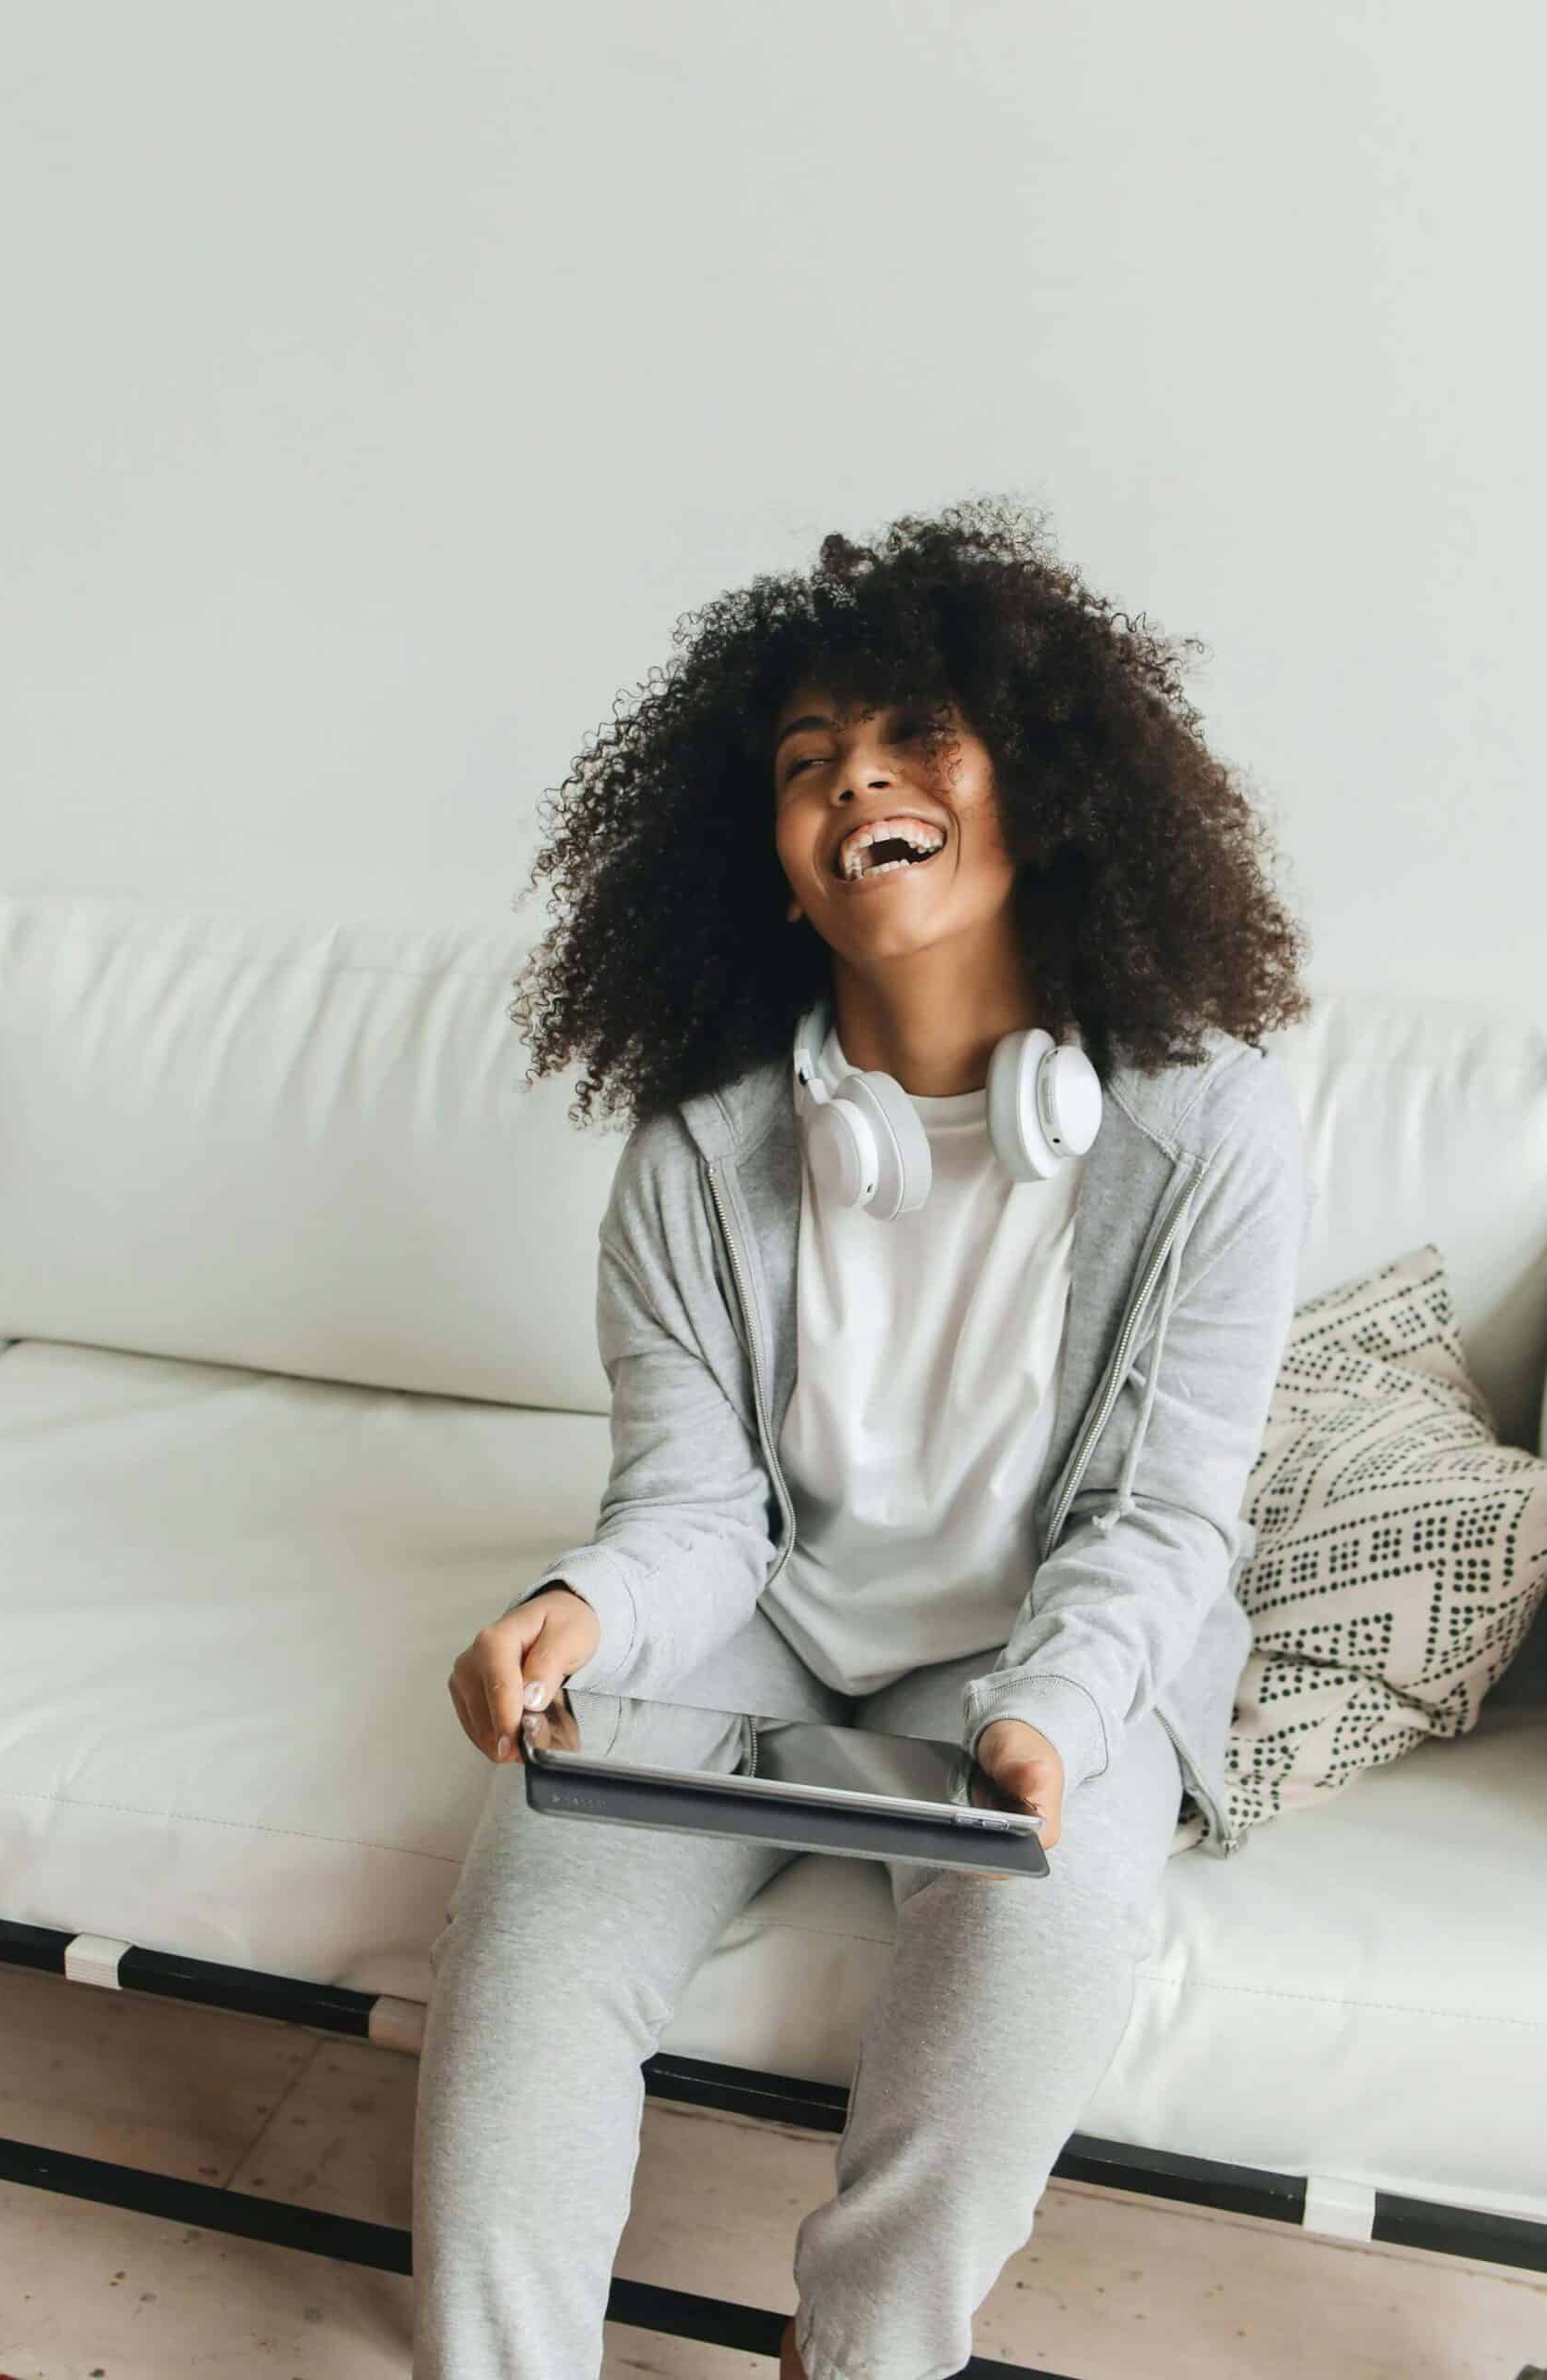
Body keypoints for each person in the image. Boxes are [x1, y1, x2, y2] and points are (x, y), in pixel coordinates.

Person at [411, 494, 1316, 2380]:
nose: (855, 786)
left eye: (916, 741)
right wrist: (580, 1607)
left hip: (1040, 1653)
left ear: (1038, 789)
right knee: (525, 1939)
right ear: (769, 853)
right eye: (807, 762)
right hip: (764, 1622)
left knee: (1041, 1951)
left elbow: (1159, 1521)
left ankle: (863, 2357)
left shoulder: (1208, 1130)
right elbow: (688, 1504)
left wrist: (1046, 1719)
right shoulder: (691, 1155)